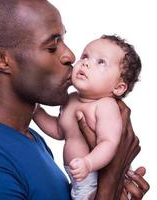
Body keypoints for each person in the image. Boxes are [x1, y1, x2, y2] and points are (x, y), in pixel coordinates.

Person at [0, 0, 149, 199]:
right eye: (51, 47)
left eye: (64, 40)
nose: (70, 56)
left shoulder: (30, 138)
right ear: (1, 60)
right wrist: (111, 180)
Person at [33, 34, 142, 200]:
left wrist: (88, 163)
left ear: (119, 88)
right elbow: (59, 130)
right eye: (85, 56)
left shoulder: (105, 106)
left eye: (101, 62)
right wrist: (37, 113)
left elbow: (109, 142)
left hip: (96, 176)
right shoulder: (70, 100)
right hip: (79, 177)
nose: (85, 62)